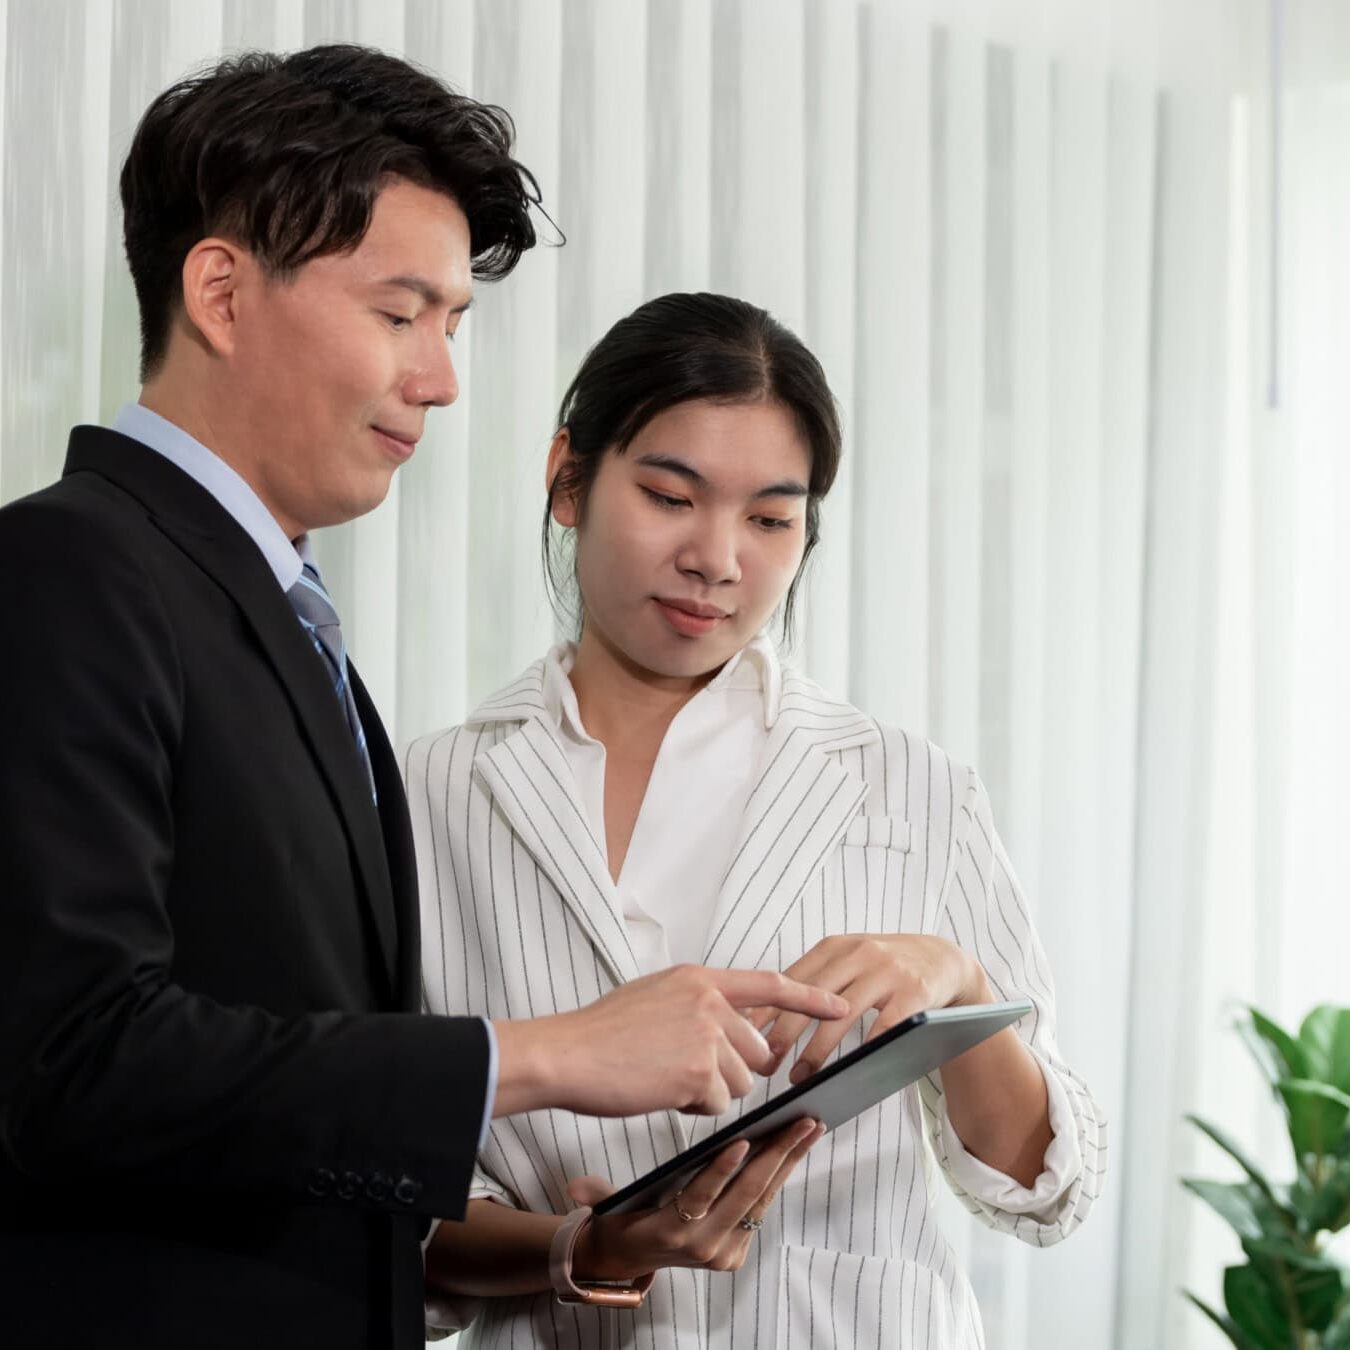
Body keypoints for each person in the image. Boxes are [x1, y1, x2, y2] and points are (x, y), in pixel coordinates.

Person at [0, 54, 847, 1350]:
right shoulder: (64, 569)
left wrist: (578, 1239)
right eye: (403, 313)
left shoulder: (284, 622)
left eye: (451, 323)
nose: (442, 379)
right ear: (221, 290)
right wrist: (547, 1052)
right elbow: (72, 1059)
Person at [406, 292, 1108, 1347]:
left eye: (772, 519)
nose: (718, 559)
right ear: (568, 478)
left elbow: (1048, 1186)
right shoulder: (428, 794)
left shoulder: (910, 787)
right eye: (669, 495)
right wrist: (579, 1248)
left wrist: (957, 985)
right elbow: (390, 1204)